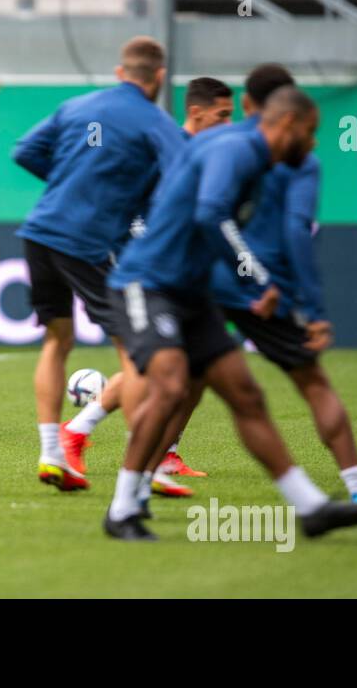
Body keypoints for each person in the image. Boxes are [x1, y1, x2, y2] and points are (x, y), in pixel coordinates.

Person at [104, 86, 357, 541]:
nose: (313, 144)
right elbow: (210, 213)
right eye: (310, 133)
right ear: (287, 125)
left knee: (246, 395)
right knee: (172, 385)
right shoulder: (238, 150)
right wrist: (256, 279)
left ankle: (309, 507)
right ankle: (121, 509)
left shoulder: (254, 160)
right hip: (148, 283)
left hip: (191, 292)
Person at [11, 36, 188, 492]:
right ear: (160, 77)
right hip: (86, 242)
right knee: (134, 354)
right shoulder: (155, 121)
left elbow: (25, 150)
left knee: (57, 339)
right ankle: (144, 470)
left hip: (39, 231)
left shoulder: (76, 105)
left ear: (119, 72)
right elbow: (180, 182)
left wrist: (72, 182)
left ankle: (53, 454)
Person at [60, 72, 239, 487]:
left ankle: (162, 454)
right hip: (150, 274)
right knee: (161, 368)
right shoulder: (168, 148)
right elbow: (132, 206)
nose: (229, 124)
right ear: (197, 112)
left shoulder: (212, 154)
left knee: (189, 372)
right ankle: (87, 438)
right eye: (223, 115)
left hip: (186, 274)